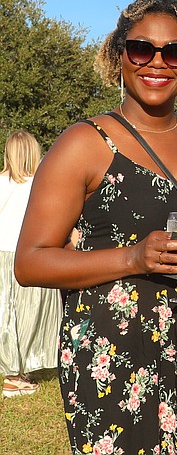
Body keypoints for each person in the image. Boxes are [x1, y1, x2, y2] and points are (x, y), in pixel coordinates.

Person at [14, 0, 177, 453]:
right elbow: (30, 262)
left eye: (176, 51)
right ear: (119, 56)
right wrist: (134, 257)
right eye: (141, 48)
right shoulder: (84, 143)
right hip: (117, 361)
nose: (157, 62)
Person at [0, 130, 62, 397]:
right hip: (30, 255)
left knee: (6, 314)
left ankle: (15, 371)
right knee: (30, 315)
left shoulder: (1, 182)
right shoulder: (40, 183)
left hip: (2, 252)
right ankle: (13, 377)